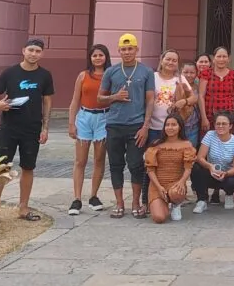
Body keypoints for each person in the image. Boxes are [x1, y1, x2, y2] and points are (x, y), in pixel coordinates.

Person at [0, 38, 55, 223]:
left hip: (32, 129)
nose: (34, 54)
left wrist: (45, 127)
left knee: (28, 167)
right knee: (1, 168)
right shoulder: (10, 73)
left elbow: (47, 102)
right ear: (23, 50)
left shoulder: (45, 75)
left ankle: (23, 208)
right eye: (31, 50)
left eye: (38, 51)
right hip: (8, 128)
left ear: (42, 54)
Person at [98, 33, 156, 220]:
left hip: (136, 125)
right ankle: (119, 203)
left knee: (136, 165)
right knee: (115, 165)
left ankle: (136, 202)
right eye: (123, 49)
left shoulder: (146, 71)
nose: (127, 52)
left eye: (130, 48)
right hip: (114, 124)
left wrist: (146, 126)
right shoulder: (111, 72)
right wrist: (114, 97)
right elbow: (100, 98)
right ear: (119, 51)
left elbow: (150, 100)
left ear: (136, 50)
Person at [144, 49, 193, 208]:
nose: (171, 63)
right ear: (161, 59)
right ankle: (147, 200)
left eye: (174, 60)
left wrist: (183, 102)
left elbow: (194, 97)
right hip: (154, 127)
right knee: (151, 163)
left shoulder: (180, 78)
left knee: (174, 164)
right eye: (168, 59)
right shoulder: (152, 77)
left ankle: (175, 196)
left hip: (173, 128)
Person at [66, 44, 111, 216]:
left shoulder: (110, 75)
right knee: (80, 160)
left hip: (103, 118)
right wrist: (72, 123)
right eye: (94, 55)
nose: (98, 58)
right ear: (90, 58)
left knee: (99, 159)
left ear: (106, 57)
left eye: (101, 55)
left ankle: (94, 195)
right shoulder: (83, 75)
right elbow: (75, 100)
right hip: (85, 117)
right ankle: (77, 199)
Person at [143, 114, 196, 223]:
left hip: (176, 184)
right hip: (157, 185)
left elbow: (188, 168)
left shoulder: (186, 145)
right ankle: (162, 204)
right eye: (167, 125)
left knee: (175, 193)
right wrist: (158, 187)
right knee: (159, 218)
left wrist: (182, 182)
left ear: (179, 127)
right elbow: (150, 170)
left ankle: (176, 205)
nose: (170, 127)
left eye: (173, 125)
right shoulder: (156, 144)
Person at [193, 111, 234, 213]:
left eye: (224, 124)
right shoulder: (210, 135)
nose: (220, 126)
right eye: (218, 123)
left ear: (230, 126)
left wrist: (225, 173)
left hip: (227, 174)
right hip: (212, 171)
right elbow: (200, 157)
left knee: (233, 179)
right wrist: (209, 166)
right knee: (196, 167)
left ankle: (229, 194)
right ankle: (201, 200)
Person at [198, 47, 234, 135]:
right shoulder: (206, 74)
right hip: (210, 117)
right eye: (219, 56)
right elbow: (201, 96)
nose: (221, 59)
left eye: (224, 56)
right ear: (213, 59)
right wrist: (204, 118)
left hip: (228, 118)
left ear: (229, 59)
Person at [179, 61, 201, 147]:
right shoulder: (176, 85)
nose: (189, 75)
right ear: (181, 72)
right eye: (186, 72)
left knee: (191, 151)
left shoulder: (199, 87)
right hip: (179, 125)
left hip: (193, 125)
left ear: (196, 73)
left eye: (192, 72)